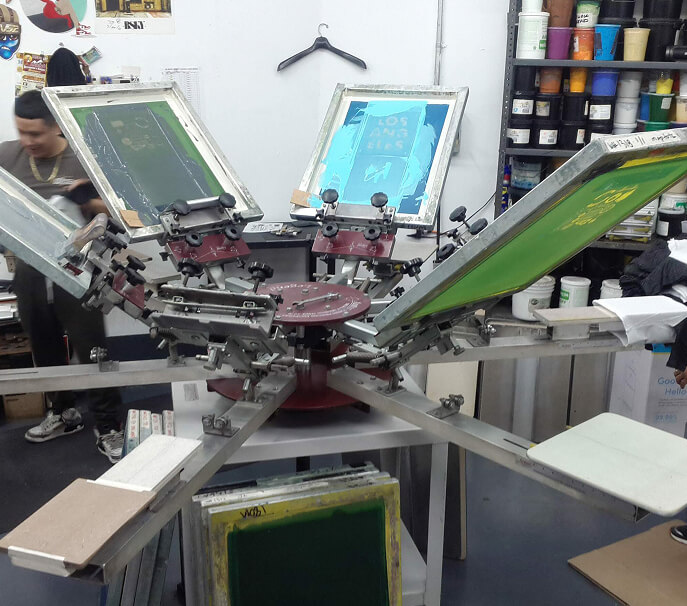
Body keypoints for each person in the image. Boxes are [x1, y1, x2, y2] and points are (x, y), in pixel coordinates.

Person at [0, 88, 124, 463]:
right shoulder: (7, 155)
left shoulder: (84, 158)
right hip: (31, 267)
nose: (27, 140)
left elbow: (122, 214)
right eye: (21, 131)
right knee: (43, 342)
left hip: (80, 266)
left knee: (91, 348)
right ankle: (63, 412)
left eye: (35, 133)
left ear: (56, 126)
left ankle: (109, 424)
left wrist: (87, 200)